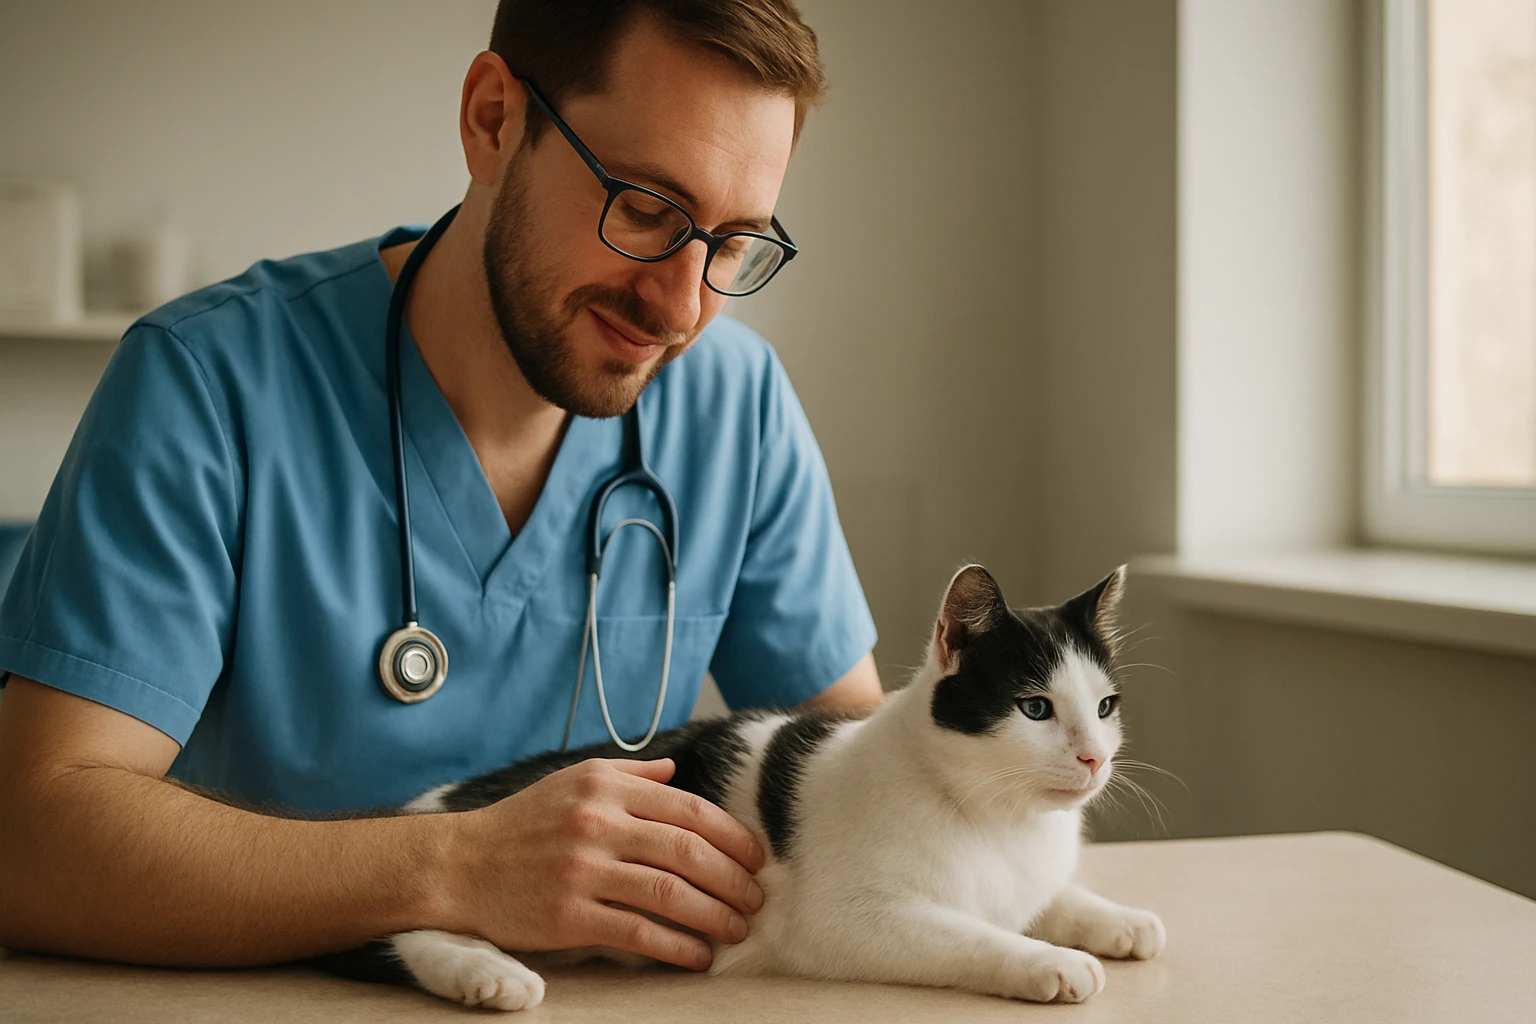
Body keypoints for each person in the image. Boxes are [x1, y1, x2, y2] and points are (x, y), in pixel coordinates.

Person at [0, 0, 881, 976]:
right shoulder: (206, 385)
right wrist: (458, 864)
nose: (681, 307)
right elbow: (31, 844)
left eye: (730, 244)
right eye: (642, 209)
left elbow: (866, 786)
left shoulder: (736, 409)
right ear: (493, 119)